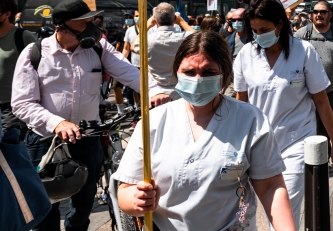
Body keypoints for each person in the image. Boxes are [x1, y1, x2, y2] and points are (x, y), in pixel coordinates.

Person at [115, 31, 296, 231]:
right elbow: (125, 189)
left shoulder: (250, 119)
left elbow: (271, 187)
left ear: (224, 76)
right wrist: (136, 200)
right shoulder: (153, 123)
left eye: (208, 73)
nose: (198, 80)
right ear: (176, 73)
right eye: (190, 72)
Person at [11, 0, 162, 231]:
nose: (91, 28)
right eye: (83, 24)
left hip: (87, 138)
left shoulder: (99, 48)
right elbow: (22, 103)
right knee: (45, 206)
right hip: (44, 142)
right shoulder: (35, 53)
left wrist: (155, 92)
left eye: (90, 22)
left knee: (84, 203)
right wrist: (57, 123)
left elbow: (132, 75)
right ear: (60, 27)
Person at [234, 0, 333, 228]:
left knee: (286, 210)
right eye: (254, 30)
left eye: (264, 29)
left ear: (280, 24)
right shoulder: (246, 55)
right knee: (252, 210)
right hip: (258, 144)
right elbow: (240, 103)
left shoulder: (303, 51)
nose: (258, 35)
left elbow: (322, 102)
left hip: (296, 142)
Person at [0, 0, 36, 135]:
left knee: (12, 149)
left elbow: (40, 67)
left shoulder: (22, 36)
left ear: (7, 14)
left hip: (11, 107)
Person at [146, 3, 196, 99]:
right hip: (180, 91)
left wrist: (147, 25)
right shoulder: (184, 37)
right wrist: (182, 22)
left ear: (155, 21)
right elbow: (200, 39)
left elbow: (133, 46)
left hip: (156, 93)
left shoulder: (148, 39)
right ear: (174, 19)